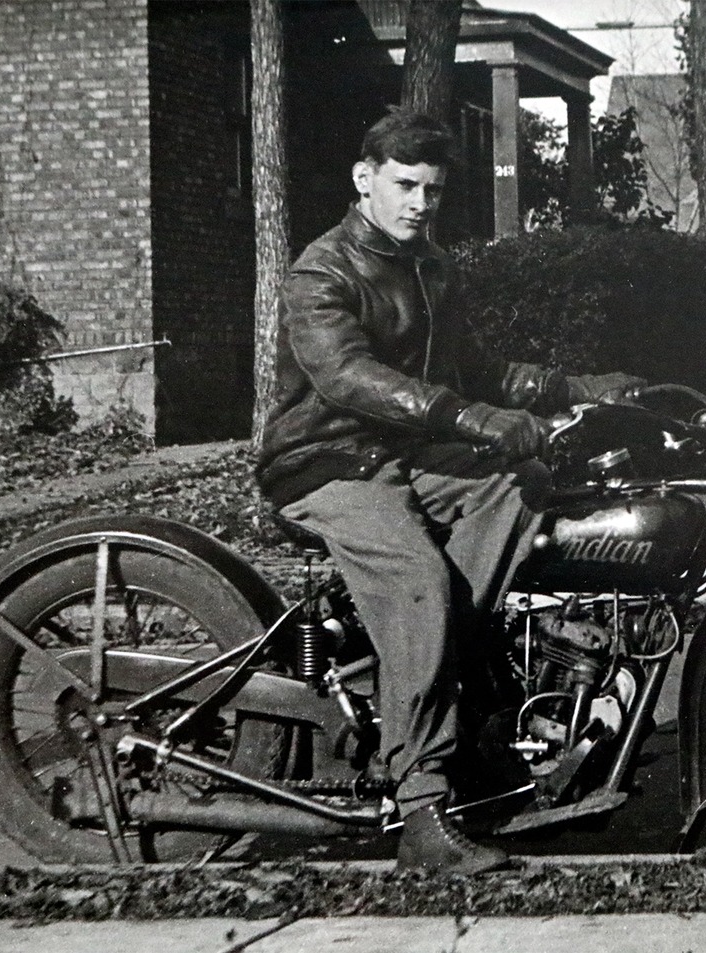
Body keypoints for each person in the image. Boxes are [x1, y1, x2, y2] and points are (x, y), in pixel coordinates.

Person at [255, 109, 643, 875]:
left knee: (524, 484)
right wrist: (466, 417)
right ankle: (423, 812)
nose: (418, 203)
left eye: (431, 190)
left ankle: (437, 676)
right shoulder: (321, 270)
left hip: (405, 454)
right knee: (419, 581)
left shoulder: (430, 267)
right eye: (404, 185)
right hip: (324, 460)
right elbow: (347, 376)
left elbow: (480, 370)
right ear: (366, 180)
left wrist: (582, 387)